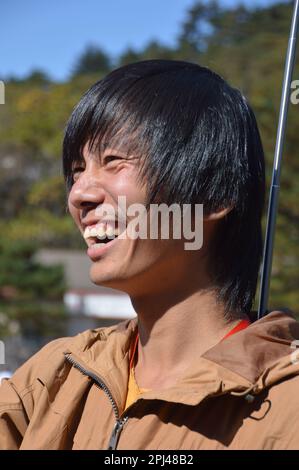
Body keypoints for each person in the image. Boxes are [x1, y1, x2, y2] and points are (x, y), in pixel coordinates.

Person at [1, 59, 299, 450]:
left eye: (113, 161)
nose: (79, 194)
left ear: (214, 195)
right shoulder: (53, 378)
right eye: (77, 170)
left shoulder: (284, 408)